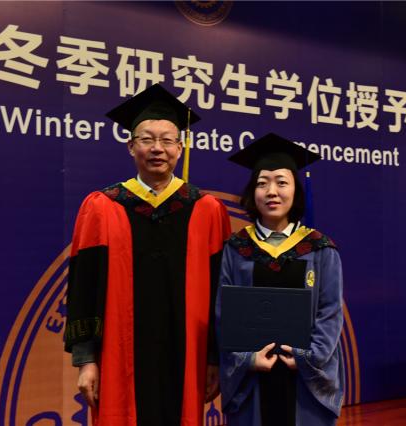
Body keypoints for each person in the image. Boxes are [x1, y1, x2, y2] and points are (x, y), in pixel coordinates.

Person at [64, 84, 231, 426]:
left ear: (180, 147)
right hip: (117, 357)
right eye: (146, 139)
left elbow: (221, 293)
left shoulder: (207, 210)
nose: (157, 148)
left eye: (167, 140)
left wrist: (215, 359)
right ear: (131, 146)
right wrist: (86, 359)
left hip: (187, 358)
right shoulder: (103, 207)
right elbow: (83, 288)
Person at [216, 133, 345, 426]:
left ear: (296, 191)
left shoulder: (320, 248)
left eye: (282, 182)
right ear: (252, 192)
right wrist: (247, 359)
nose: (271, 191)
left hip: (303, 379)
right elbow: (225, 313)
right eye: (262, 183)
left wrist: (307, 356)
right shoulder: (236, 248)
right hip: (253, 378)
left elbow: (330, 312)